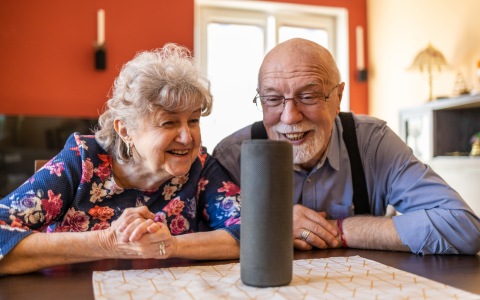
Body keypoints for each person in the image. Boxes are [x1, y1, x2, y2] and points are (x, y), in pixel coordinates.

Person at [213, 38, 480, 255]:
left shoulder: (373, 143)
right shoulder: (232, 157)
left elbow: (463, 227)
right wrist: (274, 224)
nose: (289, 117)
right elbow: (204, 239)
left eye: (308, 96)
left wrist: (338, 230)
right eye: (272, 99)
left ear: (338, 97)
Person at [0, 44, 241, 274]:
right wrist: (108, 242)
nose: (187, 138)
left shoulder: (200, 166)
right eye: (168, 122)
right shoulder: (82, 160)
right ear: (125, 131)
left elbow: (254, 232)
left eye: (193, 120)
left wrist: (172, 246)